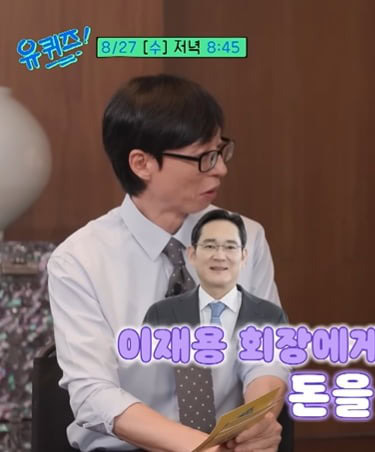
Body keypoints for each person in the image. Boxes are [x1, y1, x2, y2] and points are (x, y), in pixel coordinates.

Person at [47, 74, 285, 451]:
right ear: (142, 163)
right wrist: (199, 446)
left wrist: (258, 421)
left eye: (220, 151)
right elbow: (93, 393)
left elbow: (266, 352)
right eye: (204, 157)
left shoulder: (245, 237)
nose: (220, 169)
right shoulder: (79, 260)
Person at [143, 209, 288, 452]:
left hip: (235, 444)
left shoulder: (267, 314)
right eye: (210, 246)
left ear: (244, 256)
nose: (220, 256)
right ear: (192, 254)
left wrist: (256, 424)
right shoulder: (161, 313)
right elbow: (142, 392)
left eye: (230, 247)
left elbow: (266, 372)